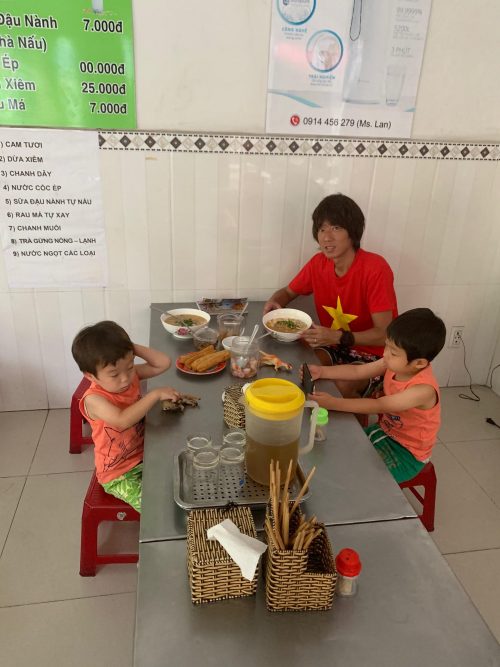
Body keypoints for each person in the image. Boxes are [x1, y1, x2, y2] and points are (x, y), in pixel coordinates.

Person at [263, 193, 398, 396]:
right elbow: (288, 292)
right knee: (300, 369)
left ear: (352, 232)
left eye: (336, 228)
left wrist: (337, 336)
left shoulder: (375, 268)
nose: (327, 237)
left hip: (375, 356)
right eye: (322, 229)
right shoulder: (318, 263)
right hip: (334, 346)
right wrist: (275, 302)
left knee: (341, 385)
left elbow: (384, 335)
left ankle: (354, 424)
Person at [305, 308, 446, 483]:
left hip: (408, 454)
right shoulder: (394, 363)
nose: (385, 353)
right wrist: (322, 371)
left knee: (361, 479)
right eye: (387, 345)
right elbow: (358, 370)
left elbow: (379, 405)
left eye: (393, 352)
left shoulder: (422, 390)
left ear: (419, 363)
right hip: (384, 431)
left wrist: (333, 402)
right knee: (339, 454)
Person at [71, 320, 180, 512]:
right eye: (114, 374)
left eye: (130, 367)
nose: (125, 378)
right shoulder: (94, 400)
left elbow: (163, 363)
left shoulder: (130, 377)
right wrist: (154, 395)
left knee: (180, 482)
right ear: (90, 376)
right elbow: (122, 421)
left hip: (144, 454)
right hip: (119, 474)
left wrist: (129, 348)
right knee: (155, 508)